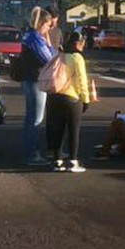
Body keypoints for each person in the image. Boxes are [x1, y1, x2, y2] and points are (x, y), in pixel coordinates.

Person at [47, 30, 92, 172]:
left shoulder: (58, 55)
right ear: (78, 43)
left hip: (54, 96)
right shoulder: (77, 58)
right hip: (71, 98)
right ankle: (73, 162)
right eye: (83, 43)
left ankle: (57, 161)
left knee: (57, 129)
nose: (83, 46)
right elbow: (81, 80)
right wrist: (86, 99)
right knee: (73, 130)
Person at [17, 8, 57, 166]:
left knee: (30, 118)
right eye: (47, 25)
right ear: (41, 24)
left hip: (28, 79)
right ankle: (32, 154)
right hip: (36, 81)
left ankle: (30, 151)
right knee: (36, 119)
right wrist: (49, 44)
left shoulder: (27, 36)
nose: (48, 29)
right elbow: (49, 59)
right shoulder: (36, 38)